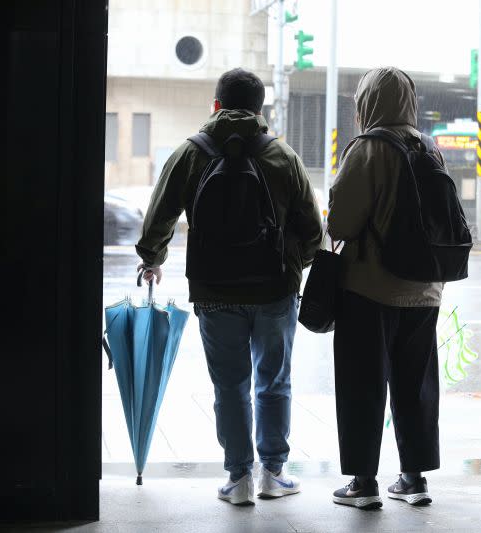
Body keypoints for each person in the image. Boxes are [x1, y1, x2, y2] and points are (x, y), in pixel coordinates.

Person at [135, 68, 323, 506]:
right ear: (260, 111)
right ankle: (273, 473)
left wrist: (152, 259)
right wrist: (295, 265)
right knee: (274, 381)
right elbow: (312, 230)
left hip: (214, 290)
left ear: (216, 106)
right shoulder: (282, 156)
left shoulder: (190, 153)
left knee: (230, 386)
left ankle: (238, 478)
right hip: (275, 290)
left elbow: (160, 213)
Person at [327, 67, 445, 510]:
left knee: (363, 384)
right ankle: (414, 479)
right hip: (426, 288)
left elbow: (341, 223)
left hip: (371, 287)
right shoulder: (428, 147)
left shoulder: (369, 148)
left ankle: (363, 483)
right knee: (415, 385)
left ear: (367, 103)